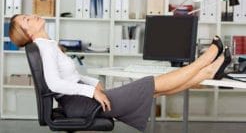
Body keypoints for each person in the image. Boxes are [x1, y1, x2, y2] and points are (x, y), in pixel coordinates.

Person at [9, 14, 231, 132]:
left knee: (155, 90)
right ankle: (206, 59)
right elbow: (55, 84)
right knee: (151, 84)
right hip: (82, 104)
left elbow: (71, 76)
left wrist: (94, 84)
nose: (32, 16)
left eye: (27, 15)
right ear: (27, 33)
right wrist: (91, 92)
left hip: (80, 100)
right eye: (27, 20)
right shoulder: (44, 47)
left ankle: (207, 72)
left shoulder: (48, 43)